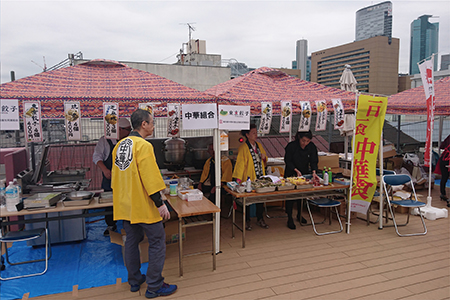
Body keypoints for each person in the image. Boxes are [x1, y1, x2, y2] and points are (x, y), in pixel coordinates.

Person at [111, 109, 177, 298]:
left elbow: (116, 179)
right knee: (157, 242)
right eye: (152, 123)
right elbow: (150, 178)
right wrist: (160, 203)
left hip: (125, 204)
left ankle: (134, 280)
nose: (153, 126)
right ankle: (154, 286)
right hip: (143, 204)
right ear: (143, 125)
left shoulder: (119, 146)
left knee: (131, 241)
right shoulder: (143, 146)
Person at [93, 117, 132, 236]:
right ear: (119, 129)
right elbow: (96, 157)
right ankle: (111, 224)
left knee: (128, 200)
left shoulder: (130, 141)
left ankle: (130, 223)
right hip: (110, 178)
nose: (129, 132)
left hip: (127, 179)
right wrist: (105, 170)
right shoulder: (105, 141)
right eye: (127, 129)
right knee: (110, 202)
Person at [232, 124, 269, 230]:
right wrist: (238, 180)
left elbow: (265, 158)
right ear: (247, 135)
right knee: (247, 201)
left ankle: (260, 218)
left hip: (259, 176)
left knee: (260, 199)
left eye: (256, 133)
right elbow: (240, 164)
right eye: (253, 133)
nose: (255, 135)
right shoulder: (243, 148)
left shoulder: (259, 145)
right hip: (248, 177)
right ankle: (247, 220)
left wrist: (264, 158)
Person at [284, 130, 321, 230]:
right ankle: (290, 218)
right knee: (290, 197)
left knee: (302, 195)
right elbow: (288, 160)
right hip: (291, 173)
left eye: (308, 141)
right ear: (299, 138)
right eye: (303, 140)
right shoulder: (291, 146)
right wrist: (295, 170)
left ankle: (300, 214)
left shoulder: (311, 146)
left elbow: (314, 160)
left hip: (304, 173)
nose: (305, 143)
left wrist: (314, 172)